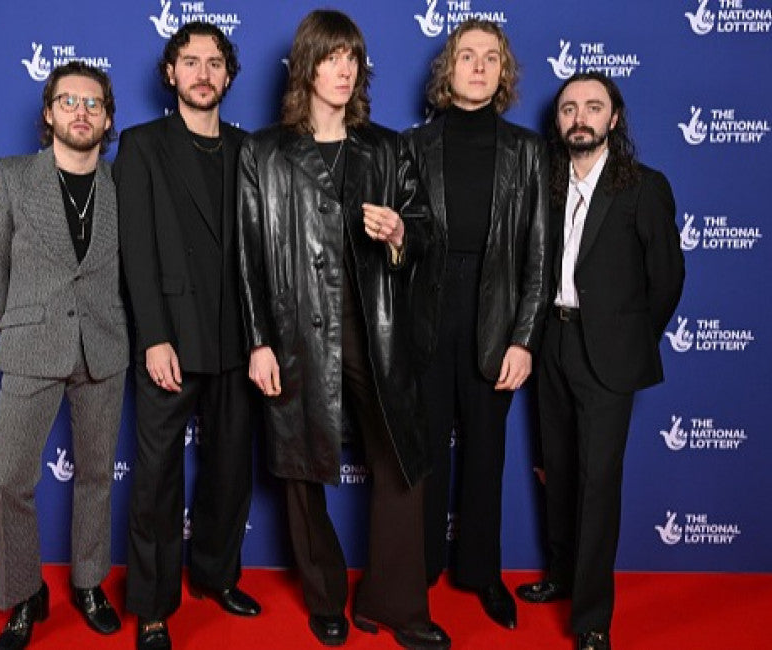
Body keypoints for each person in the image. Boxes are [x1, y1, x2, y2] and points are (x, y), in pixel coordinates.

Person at [237, 9, 449, 650]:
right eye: (331, 57)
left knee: (403, 465)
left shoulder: (387, 147)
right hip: (295, 331)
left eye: (352, 58)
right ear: (307, 66)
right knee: (300, 470)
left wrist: (400, 235)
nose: (344, 69)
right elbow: (246, 254)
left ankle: (396, 603)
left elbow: (425, 234)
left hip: (374, 329)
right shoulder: (264, 151)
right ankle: (326, 596)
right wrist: (258, 341)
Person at [515, 72, 684, 650]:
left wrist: (627, 337)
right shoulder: (545, 183)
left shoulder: (643, 187)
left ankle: (590, 619)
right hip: (552, 343)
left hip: (608, 355)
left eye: (593, 107)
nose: (579, 117)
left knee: (597, 484)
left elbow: (667, 281)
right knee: (557, 472)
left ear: (614, 119)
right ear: (558, 120)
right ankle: (561, 576)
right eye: (568, 108)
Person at [0, 61, 127, 650]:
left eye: (92, 103)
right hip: (31, 347)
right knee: (10, 479)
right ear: (49, 113)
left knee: (95, 476)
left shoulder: (121, 184)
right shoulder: (9, 177)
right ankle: (24, 594)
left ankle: (88, 582)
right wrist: (18, 321)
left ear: (107, 117)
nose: (80, 112)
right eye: (69, 101)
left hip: (104, 349)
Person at [113, 22, 259, 650]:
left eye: (214, 62)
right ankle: (151, 605)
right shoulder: (142, 144)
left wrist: (263, 339)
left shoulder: (250, 149)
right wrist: (153, 336)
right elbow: (136, 253)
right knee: (156, 479)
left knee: (230, 468)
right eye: (190, 62)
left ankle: (217, 575)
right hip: (171, 337)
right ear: (170, 74)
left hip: (240, 338)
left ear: (228, 76)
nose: (203, 73)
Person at [403, 19, 549, 630]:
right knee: (426, 451)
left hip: (495, 309)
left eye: (492, 58)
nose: (480, 67)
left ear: (503, 72)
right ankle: (421, 566)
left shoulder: (527, 150)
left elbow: (539, 253)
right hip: (429, 313)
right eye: (468, 56)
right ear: (449, 69)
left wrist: (524, 338)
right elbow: (400, 242)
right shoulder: (413, 145)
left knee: (487, 453)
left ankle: (482, 574)